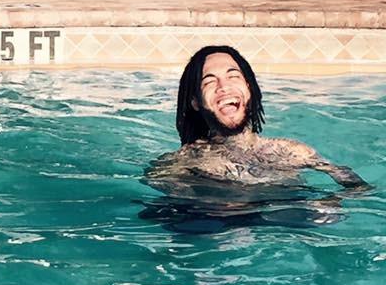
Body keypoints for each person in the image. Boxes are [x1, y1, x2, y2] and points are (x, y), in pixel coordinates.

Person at [144, 45, 367, 193]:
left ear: (249, 88)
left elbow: (359, 190)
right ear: (195, 102)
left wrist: (332, 202)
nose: (224, 87)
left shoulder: (291, 152)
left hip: (286, 224)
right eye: (209, 82)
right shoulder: (182, 163)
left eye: (233, 76)